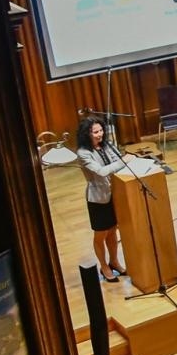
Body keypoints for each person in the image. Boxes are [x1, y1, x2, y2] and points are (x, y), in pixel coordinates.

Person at [74, 115, 126, 281]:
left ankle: (114, 261)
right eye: (95, 132)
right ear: (86, 134)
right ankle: (103, 266)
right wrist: (124, 161)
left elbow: (117, 160)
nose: (100, 134)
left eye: (101, 130)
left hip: (114, 195)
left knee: (112, 231)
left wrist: (122, 160)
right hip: (98, 198)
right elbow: (102, 171)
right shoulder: (83, 153)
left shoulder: (106, 146)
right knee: (101, 234)